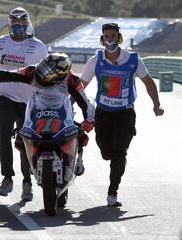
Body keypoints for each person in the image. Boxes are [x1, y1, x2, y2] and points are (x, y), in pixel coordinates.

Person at [0, 52, 95, 175]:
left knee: (79, 131)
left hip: (62, 110)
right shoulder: (32, 71)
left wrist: (89, 120)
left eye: (49, 73)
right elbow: (7, 75)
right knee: (20, 138)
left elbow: (85, 102)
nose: (43, 74)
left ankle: (78, 155)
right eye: (43, 69)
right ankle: (31, 162)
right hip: (38, 109)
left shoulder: (72, 80)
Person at [79, 23, 164, 207]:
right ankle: (110, 158)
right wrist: (67, 103)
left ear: (119, 37)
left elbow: (148, 82)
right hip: (103, 112)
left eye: (113, 36)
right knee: (106, 151)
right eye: (107, 36)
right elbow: (81, 85)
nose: (110, 39)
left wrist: (156, 105)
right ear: (103, 39)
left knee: (120, 152)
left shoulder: (133, 60)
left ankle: (112, 192)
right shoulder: (96, 60)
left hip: (125, 113)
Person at [0, 7, 48, 201]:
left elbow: (46, 72)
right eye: (15, 24)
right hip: (4, 97)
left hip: (28, 101)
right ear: (9, 25)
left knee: (24, 140)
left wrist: (46, 99)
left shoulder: (37, 46)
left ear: (27, 25)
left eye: (22, 24)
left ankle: (27, 181)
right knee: (3, 134)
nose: (18, 28)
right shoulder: (1, 43)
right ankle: (7, 177)